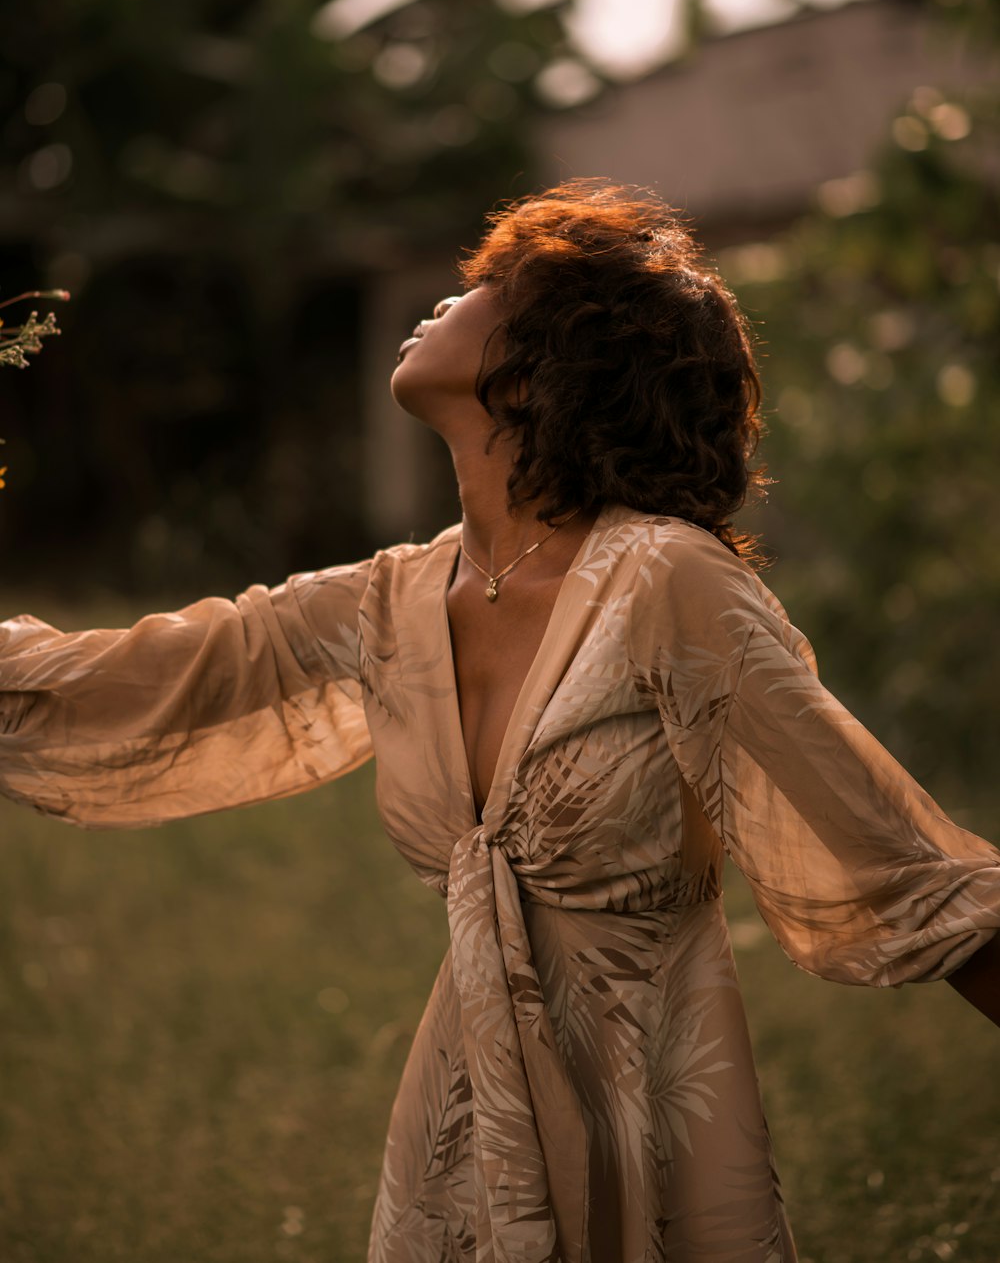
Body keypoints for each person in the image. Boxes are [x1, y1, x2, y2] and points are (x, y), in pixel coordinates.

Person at [1, 179, 998, 1263]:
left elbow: (903, 871)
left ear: (550, 360)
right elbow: (112, 690)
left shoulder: (664, 581)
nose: (444, 298)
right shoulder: (390, 601)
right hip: (460, 1135)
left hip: (650, 1134)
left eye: (486, 287)